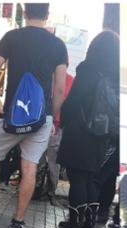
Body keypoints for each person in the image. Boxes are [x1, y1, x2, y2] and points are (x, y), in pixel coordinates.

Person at [0, 3, 68, 228]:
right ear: (47, 15)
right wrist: (51, 116)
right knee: (29, 167)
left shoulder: (11, 37)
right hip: (40, 118)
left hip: (11, 115)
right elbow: (59, 89)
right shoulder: (58, 45)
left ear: (25, 13)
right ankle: (18, 221)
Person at [57, 30, 120, 228]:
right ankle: (90, 222)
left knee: (77, 178)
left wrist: (63, 119)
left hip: (80, 130)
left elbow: (74, 100)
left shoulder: (88, 70)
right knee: (92, 178)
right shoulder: (116, 76)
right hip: (103, 134)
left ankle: (75, 221)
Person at [44, 72, 73, 201]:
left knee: (52, 161)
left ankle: (50, 190)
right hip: (46, 122)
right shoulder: (50, 76)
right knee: (46, 160)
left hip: (56, 124)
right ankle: (41, 189)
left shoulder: (68, 80)